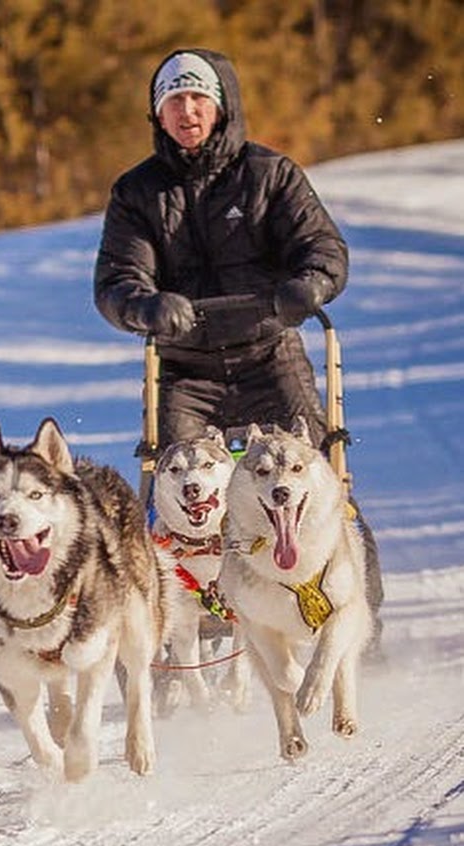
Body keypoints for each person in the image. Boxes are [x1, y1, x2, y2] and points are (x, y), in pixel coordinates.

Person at [93, 48, 383, 655]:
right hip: (186, 370)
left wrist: (308, 287)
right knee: (171, 495)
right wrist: (145, 307)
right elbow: (117, 281)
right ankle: (166, 628)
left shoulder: (271, 175)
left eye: (198, 98)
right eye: (174, 101)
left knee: (319, 481)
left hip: (268, 355)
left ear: (222, 105)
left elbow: (323, 250)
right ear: (159, 114)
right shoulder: (137, 193)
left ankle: (358, 613)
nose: (187, 110)